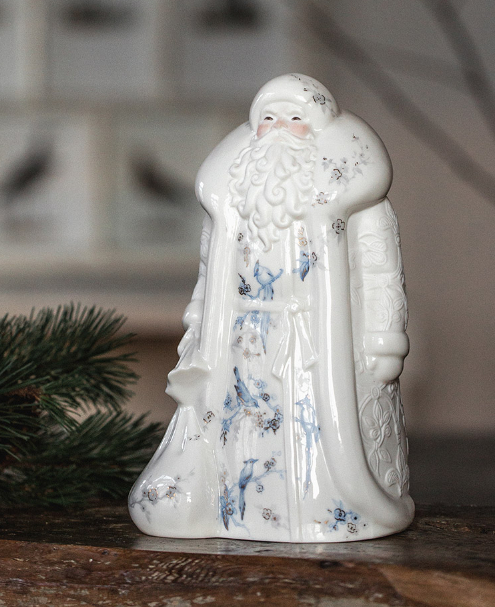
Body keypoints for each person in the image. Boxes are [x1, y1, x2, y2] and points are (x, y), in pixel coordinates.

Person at [129, 73, 413, 542]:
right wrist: (197, 321)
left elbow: (382, 270)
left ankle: (328, 509)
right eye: (268, 118)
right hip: (243, 342)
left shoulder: (358, 203)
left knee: (318, 427)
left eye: (295, 117)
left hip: (316, 342)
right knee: (242, 427)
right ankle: (241, 510)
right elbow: (208, 270)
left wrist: (385, 340)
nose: (279, 128)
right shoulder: (229, 205)